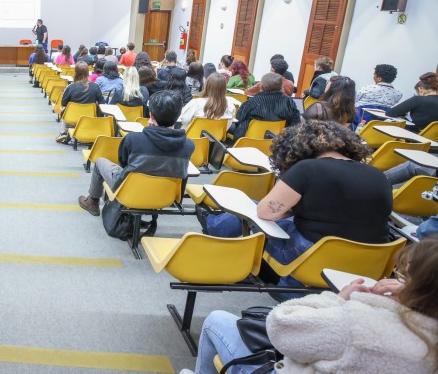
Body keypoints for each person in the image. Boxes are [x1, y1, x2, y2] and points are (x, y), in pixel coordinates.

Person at [187, 238, 438, 374]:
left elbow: (282, 327)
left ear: (420, 287)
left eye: (403, 276)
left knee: (216, 320)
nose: (395, 279)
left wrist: (340, 299)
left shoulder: (362, 326)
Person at [254, 121, 390, 286]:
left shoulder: (306, 168)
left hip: (314, 257)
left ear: (293, 148)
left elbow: (265, 212)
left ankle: (220, 242)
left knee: (253, 221)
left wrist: (291, 209)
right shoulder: (378, 175)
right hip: (370, 263)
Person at [77, 90, 194, 216]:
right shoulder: (188, 145)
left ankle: (92, 202)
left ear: (152, 116)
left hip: (129, 191)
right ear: (177, 116)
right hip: (165, 196)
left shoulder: (133, 139)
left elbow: (123, 163)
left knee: (100, 162)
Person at [232, 73, 301, 139]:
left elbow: (239, 118)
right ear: (281, 87)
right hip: (277, 141)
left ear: (261, 86)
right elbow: (296, 122)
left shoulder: (252, 102)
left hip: (247, 139)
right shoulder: (289, 102)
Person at [55, 62, 105, 143]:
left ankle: (64, 132)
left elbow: (63, 103)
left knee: (65, 108)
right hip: (89, 118)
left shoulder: (70, 87)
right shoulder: (95, 87)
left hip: (71, 118)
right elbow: (102, 103)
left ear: (75, 73)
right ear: (88, 72)